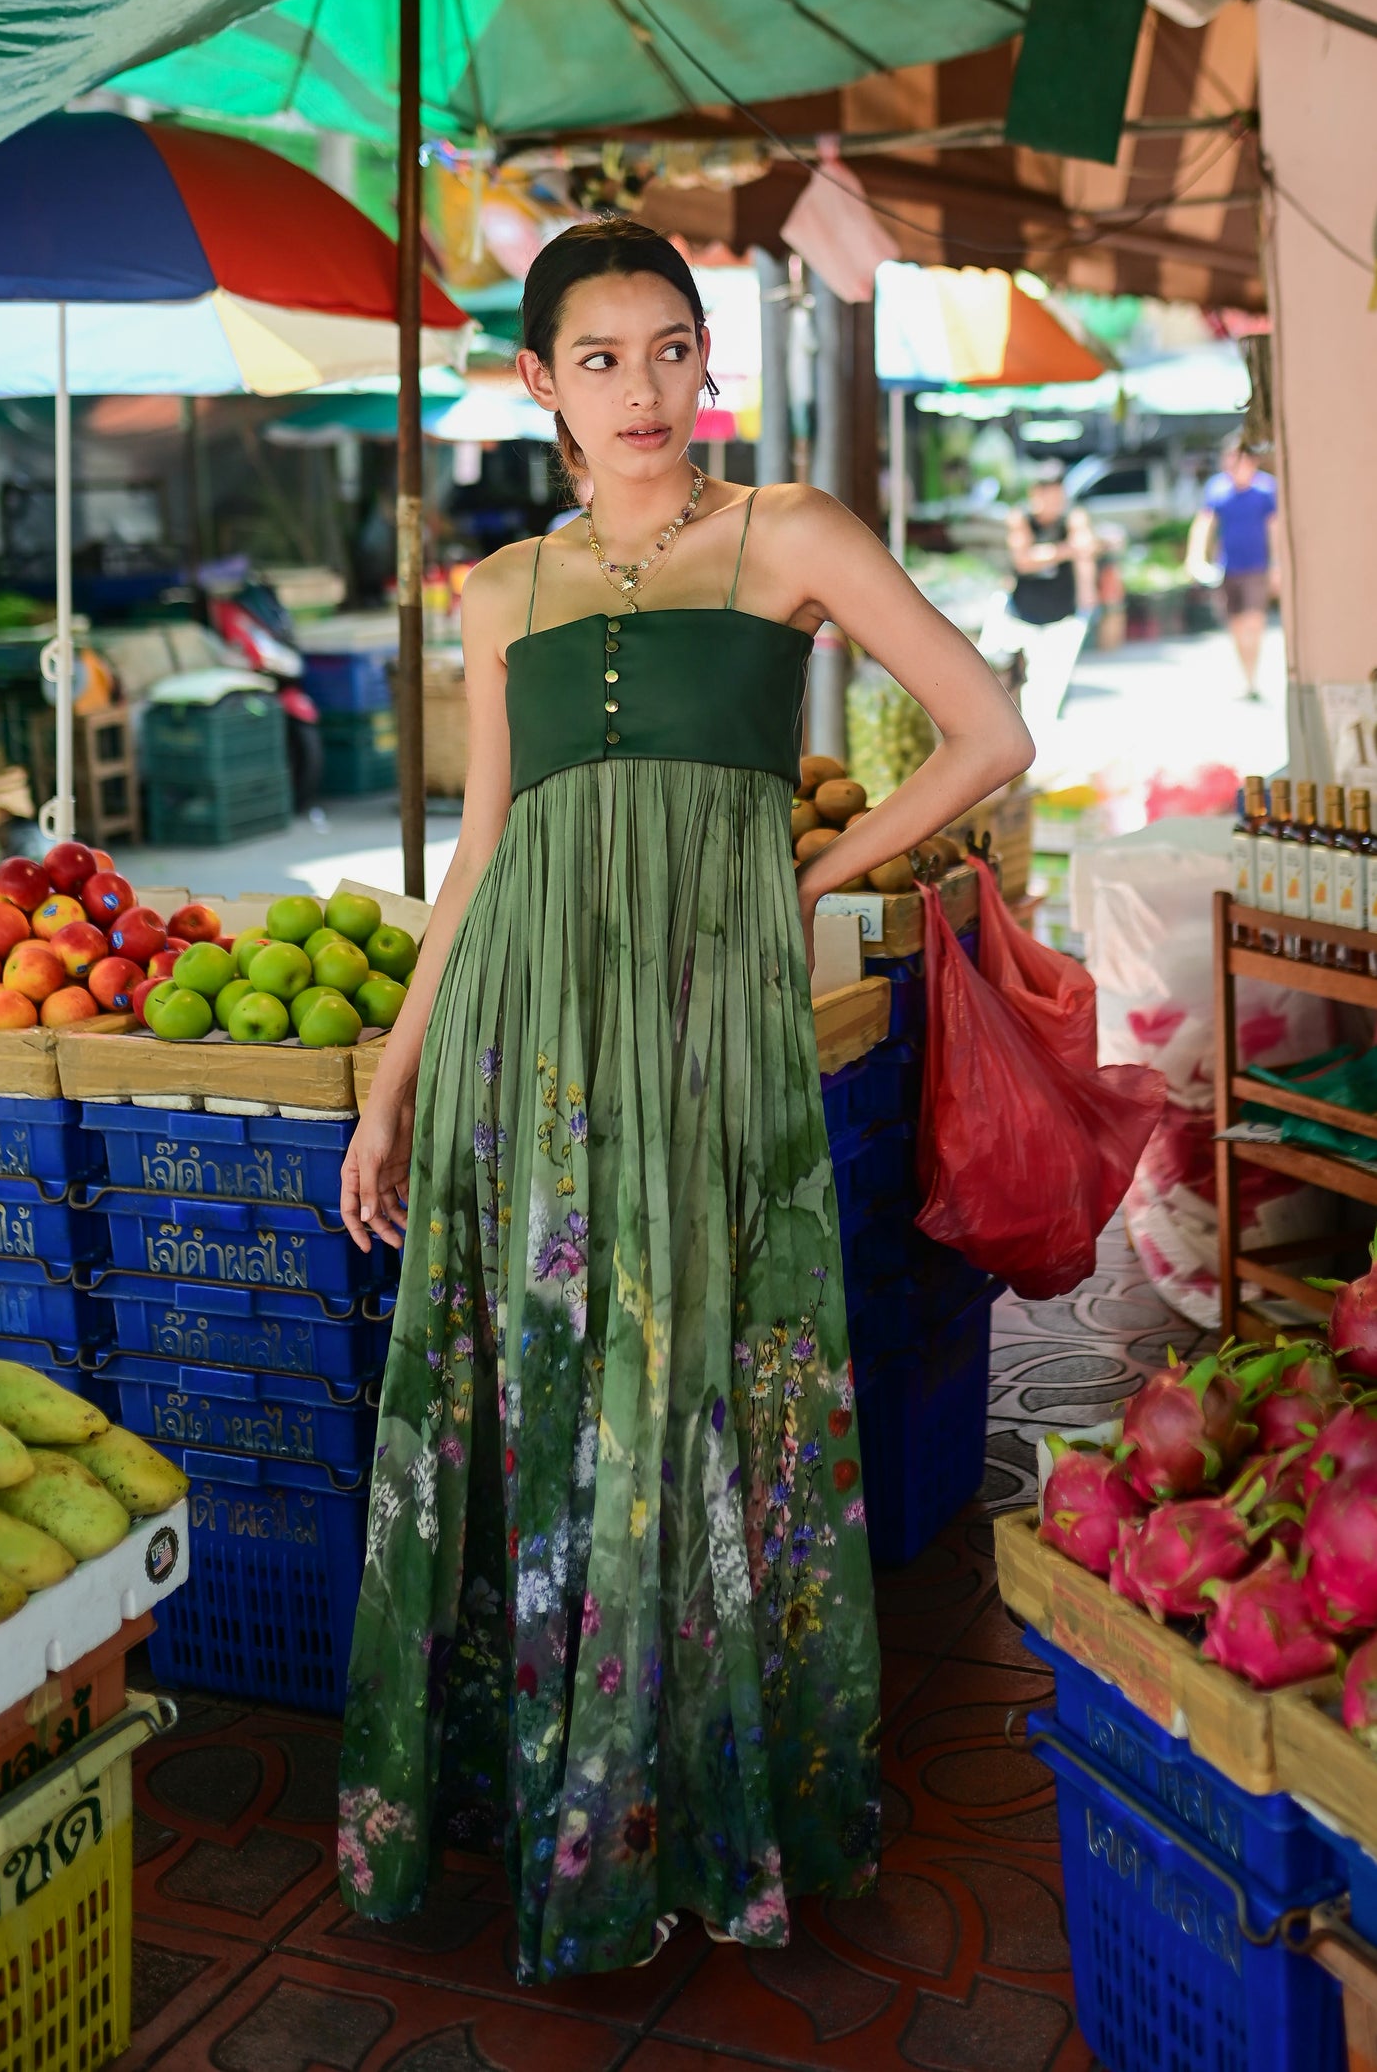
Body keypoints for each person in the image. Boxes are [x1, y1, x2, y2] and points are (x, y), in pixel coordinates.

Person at [336, 219, 1033, 1984]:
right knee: (565, 1395)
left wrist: (808, 881)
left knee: (704, 1383)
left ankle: (701, 1802)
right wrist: (392, 1084)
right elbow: (485, 851)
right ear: (539, 383)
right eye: (600, 356)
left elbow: (984, 729)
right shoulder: (498, 591)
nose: (642, 388)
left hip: (712, 1035)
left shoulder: (783, 533)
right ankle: (572, 1793)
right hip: (530, 1040)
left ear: (706, 357)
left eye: (670, 347)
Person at [988, 463, 1095, 773]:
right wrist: (1066, 551)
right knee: (1017, 686)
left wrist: (1086, 589)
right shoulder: (1021, 517)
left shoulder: (1073, 516)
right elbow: (1024, 561)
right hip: (1023, 615)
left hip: (1062, 614)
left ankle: (1046, 755)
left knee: (1053, 689)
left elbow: (1084, 551)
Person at [1185, 435, 1278, 699]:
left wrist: (1277, 564)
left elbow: (1274, 528)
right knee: (1237, 626)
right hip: (1228, 568)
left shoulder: (1266, 489)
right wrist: (1195, 557)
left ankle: (1253, 679)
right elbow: (1205, 523)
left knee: (1254, 623)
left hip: (1256, 567)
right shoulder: (1217, 489)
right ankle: (1247, 678)